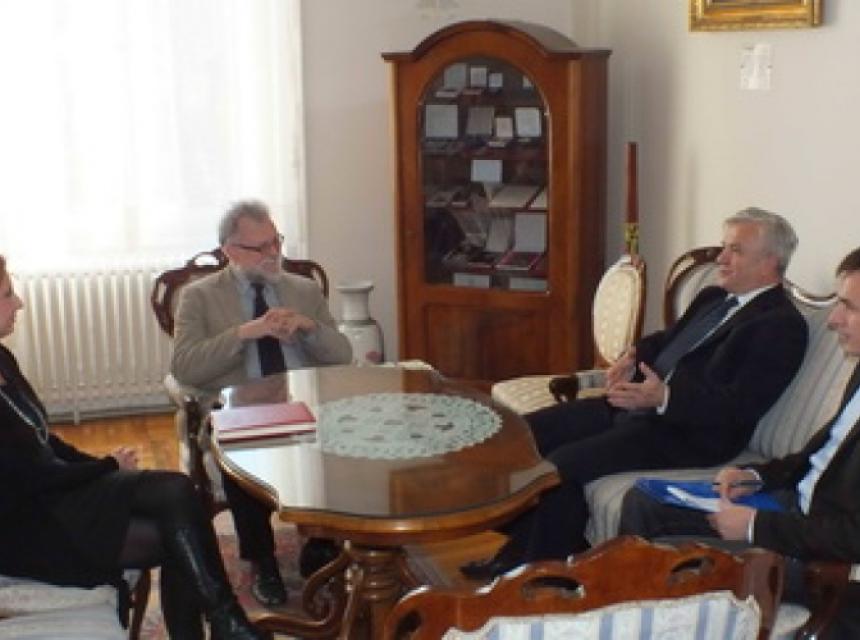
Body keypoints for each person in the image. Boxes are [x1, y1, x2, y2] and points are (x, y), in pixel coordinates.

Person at [462, 207, 808, 579]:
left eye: (735, 250)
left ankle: (534, 570)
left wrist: (664, 399)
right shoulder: (713, 297)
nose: (721, 258)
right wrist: (632, 357)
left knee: (562, 465)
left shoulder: (781, 326)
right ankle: (533, 545)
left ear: (769, 263)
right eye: (724, 246)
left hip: (687, 434)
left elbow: (736, 405)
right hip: (636, 405)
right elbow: (666, 340)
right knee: (521, 433)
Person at [0, 254, 263, 640]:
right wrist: (106, 467)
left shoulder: (3, 360)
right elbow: (34, 475)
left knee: (178, 504)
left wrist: (100, 465)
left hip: (52, 500)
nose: (19, 302)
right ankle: (228, 622)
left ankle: (225, 623)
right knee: (176, 501)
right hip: (28, 528)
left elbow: (43, 440)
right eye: (8, 294)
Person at [619, 246, 860, 638]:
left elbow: (851, 535)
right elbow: (818, 457)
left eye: (849, 307)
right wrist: (756, 476)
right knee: (642, 502)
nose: (834, 320)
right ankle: (626, 618)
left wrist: (755, 526)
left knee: (658, 560)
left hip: (814, 556)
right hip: (789, 506)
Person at [171, 200, 352, 606]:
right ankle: (262, 560)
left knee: (345, 440)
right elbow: (184, 367)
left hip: (307, 405)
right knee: (241, 455)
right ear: (230, 251)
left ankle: (321, 543)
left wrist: (308, 328)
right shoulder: (198, 297)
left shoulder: (303, 290)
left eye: (276, 242)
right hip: (241, 410)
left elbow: (342, 355)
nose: (273, 254)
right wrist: (244, 333)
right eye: (260, 247)